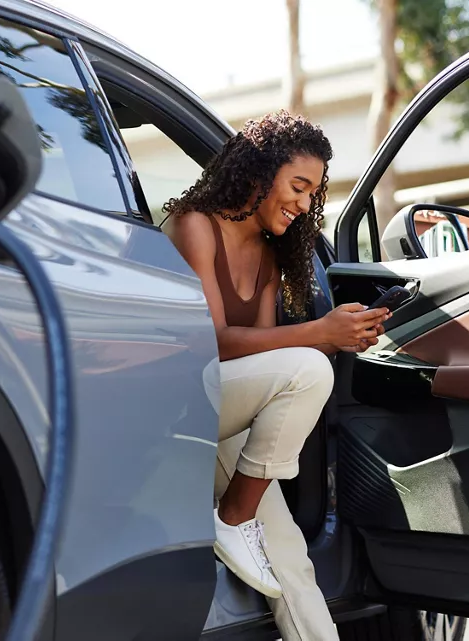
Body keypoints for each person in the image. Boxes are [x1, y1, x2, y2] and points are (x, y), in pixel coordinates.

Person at [163, 111, 389, 641]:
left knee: (290, 562)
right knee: (310, 367)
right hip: (177, 398)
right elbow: (211, 342)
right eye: (298, 186)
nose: (305, 204)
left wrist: (338, 333)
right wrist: (319, 334)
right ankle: (234, 519)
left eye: (313, 192)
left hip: (224, 406)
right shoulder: (195, 226)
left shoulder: (268, 255)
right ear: (259, 174)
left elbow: (258, 363)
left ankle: (240, 522)